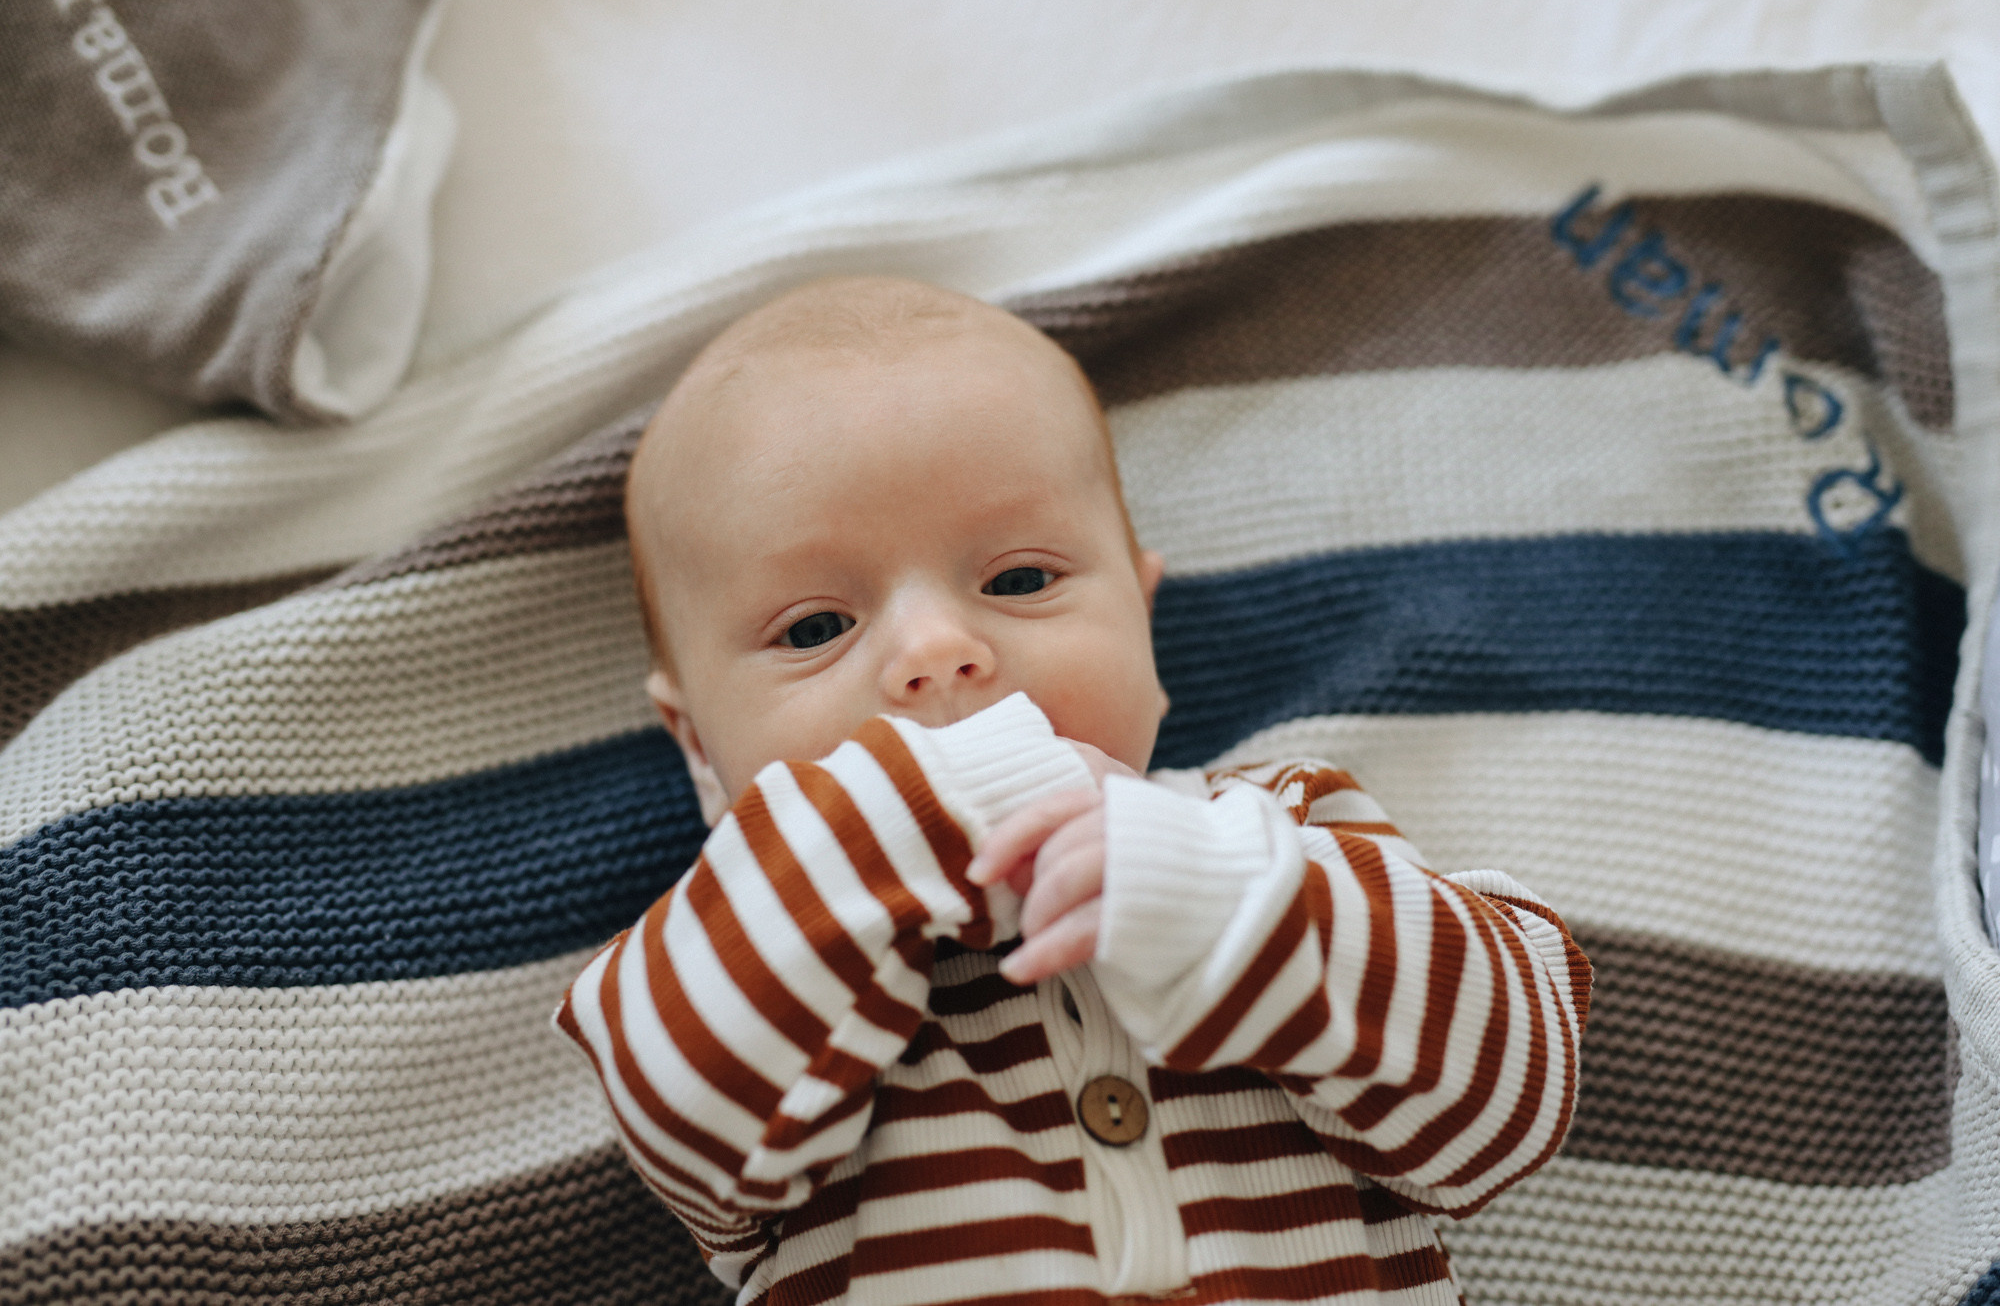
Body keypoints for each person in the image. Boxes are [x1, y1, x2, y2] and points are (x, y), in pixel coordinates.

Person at [556, 275, 1591, 1305]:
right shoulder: (730, 945)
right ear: (698, 747)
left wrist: (1226, 903)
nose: (937, 651)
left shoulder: (1269, 831)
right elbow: (679, 1116)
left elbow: (1511, 1103)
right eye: (815, 629)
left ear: (1141, 621)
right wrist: (913, 808)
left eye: (1017, 581)